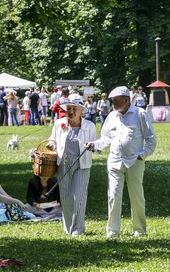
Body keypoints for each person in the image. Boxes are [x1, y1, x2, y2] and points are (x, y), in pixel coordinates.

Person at [88, 86, 156, 239]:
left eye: (116, 101)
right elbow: (106, 138)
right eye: (112, 101)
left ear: (126, 100)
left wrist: (142, 156)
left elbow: (151, 140)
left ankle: (139, 230)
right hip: (114, 161)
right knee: (113, 196)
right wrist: (95, 144)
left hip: (134, 161)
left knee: (137, 197)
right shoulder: (112, 116)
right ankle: (112, 231)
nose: (113, 104)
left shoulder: (140, 113)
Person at [47, 98, 97, 236]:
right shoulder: (59, 124)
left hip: (82, 163)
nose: (71, 111)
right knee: (66, 196)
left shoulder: (89, 125)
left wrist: (93, 146)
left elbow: (97, 144)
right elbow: (52, 139)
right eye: (69, 109)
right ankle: (68, 227)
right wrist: (51, 144)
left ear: (81, 111)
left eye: (75, 109)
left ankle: (79, 228)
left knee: (79, 196)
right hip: (63, 162)